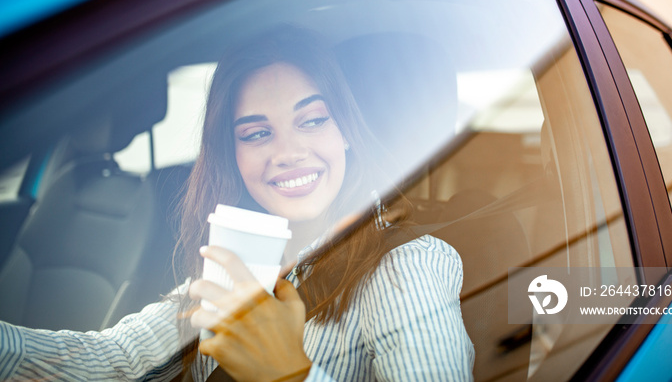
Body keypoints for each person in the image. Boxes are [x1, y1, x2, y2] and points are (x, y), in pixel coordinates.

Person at [0, 26, 474, 381]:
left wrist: (291, 373)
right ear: (234, 154)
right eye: (257, 133)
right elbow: (115, 359)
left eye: (311, 121)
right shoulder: (239, 266)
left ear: (346, 130)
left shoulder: (406, 266)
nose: (287, 152)